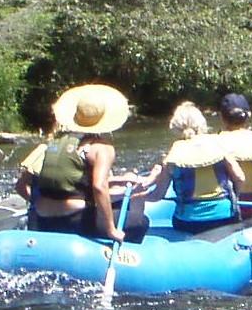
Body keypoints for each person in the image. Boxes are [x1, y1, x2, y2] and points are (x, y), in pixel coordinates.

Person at [17, 84, 155, 243]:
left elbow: (75, 180)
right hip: (75, 220)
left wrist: (121, 182)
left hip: (42, 220)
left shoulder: (53, 143)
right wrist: (111, 230)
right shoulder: (101, 147)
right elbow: (99, 187)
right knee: (140, 222)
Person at [144, 101, 245, 233]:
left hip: (188, 222)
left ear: (175, 126)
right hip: (224, 216)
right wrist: (234, 198)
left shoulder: (173, 154)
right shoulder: (218, 145)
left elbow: (158, 195)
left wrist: (137, 197)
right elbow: (240, 178)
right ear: (202, 123)